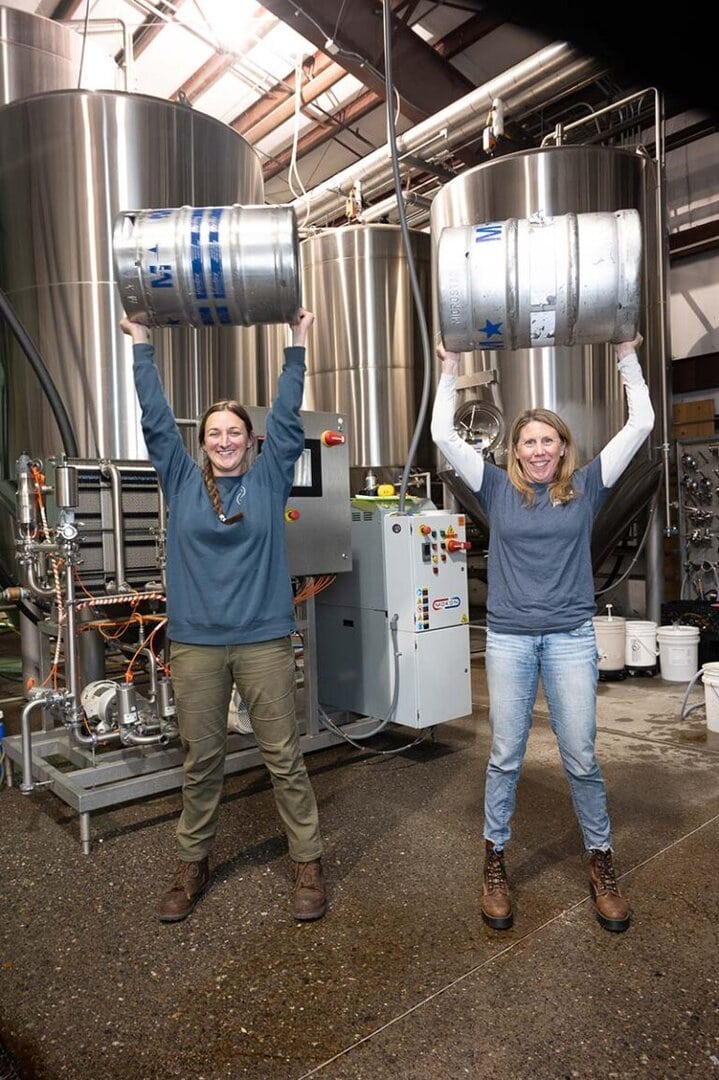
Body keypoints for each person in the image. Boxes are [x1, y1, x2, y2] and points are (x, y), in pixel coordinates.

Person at [431, 333, 654, 934]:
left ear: (563, 447)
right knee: (505, 755)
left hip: (570, 638)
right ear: (515, 450)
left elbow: (642, 423)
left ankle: (600, 861)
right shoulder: (495, 487)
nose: (537, 451)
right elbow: (444, 435)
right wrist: (450, 369)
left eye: (547, 441)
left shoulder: (587, 486)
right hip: (509, 639)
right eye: (528, 441)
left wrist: (626, 357)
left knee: (581, 757)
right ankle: (495, 862)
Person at [120, 308, 327, 925]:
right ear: (203, 440)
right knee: (201, 760)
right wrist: (142, 345)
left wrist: (297, 344)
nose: (225, 440)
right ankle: (193, 862)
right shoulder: (181, 479)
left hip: (263, 641)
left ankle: (307, 861)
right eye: (215, 432)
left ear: (251, 440)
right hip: (196, 646)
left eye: (235, 431)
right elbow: (156, 419)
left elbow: (287, 417)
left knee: (283, 757)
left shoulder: (269, 480)